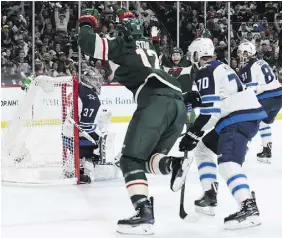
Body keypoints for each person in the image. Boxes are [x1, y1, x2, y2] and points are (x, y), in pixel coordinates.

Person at [77, 9, 200, 235]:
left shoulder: (121, 45)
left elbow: (86, 41)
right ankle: (172, 165)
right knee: (146, 159)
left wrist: (86, 21)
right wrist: (128, 20)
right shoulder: (149, 47)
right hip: (178, 105)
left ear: (122, 33)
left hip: (155, 102)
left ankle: (144, 213)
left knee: (129, 160)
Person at [179, 38, 267, 229]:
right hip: (240, 115)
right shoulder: (221, 67)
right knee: (203, 149)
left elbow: (211, 111)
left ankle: (248, 207)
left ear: (197, 54)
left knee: (228, 163)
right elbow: (220, 98)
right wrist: (198, 100)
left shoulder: (205, 70)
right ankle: (209, 195)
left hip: (237, 118)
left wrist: (192, 133)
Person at [238, 41, 282, 163]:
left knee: (248, 122)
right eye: (241, 53)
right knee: (264, 123)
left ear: (251, 52)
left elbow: (251, 90)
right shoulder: (262, 62)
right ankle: (267, 150)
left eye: (245, 53)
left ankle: (241, 150)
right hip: (278, 99)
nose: (242, 55)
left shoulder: (248, 67)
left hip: (265, 99)